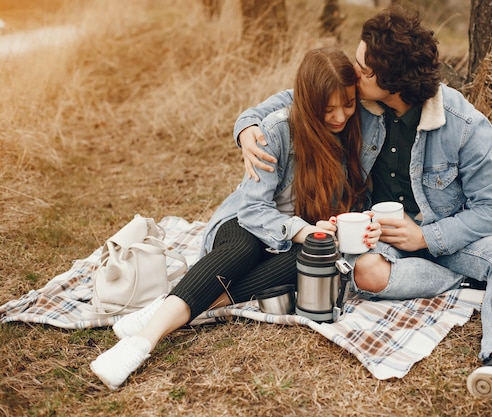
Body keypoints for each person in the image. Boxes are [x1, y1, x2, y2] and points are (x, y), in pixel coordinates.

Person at [234, 5, 492, 408]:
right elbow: (295, 98)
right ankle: (478, 284)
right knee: (363, 273)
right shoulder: (359, 105)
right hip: (381, 238)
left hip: (451, 234)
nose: (355, 70)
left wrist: (426, 236)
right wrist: (246, 127)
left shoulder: (463, 125)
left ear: (390, 81)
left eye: (364, 68)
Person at [89, 46, 383, 390]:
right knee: (245, 250)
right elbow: (254, 210)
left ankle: (168, 306)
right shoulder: (275, 130)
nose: (339, 116)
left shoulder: (360, 131)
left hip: (291, 240)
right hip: (247, 224)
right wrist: (300, 230)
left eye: (347, 104)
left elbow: (349, 204)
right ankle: (143, 342)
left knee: (319, 254)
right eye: (327, 108)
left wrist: (332, 227)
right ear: (307, 101)